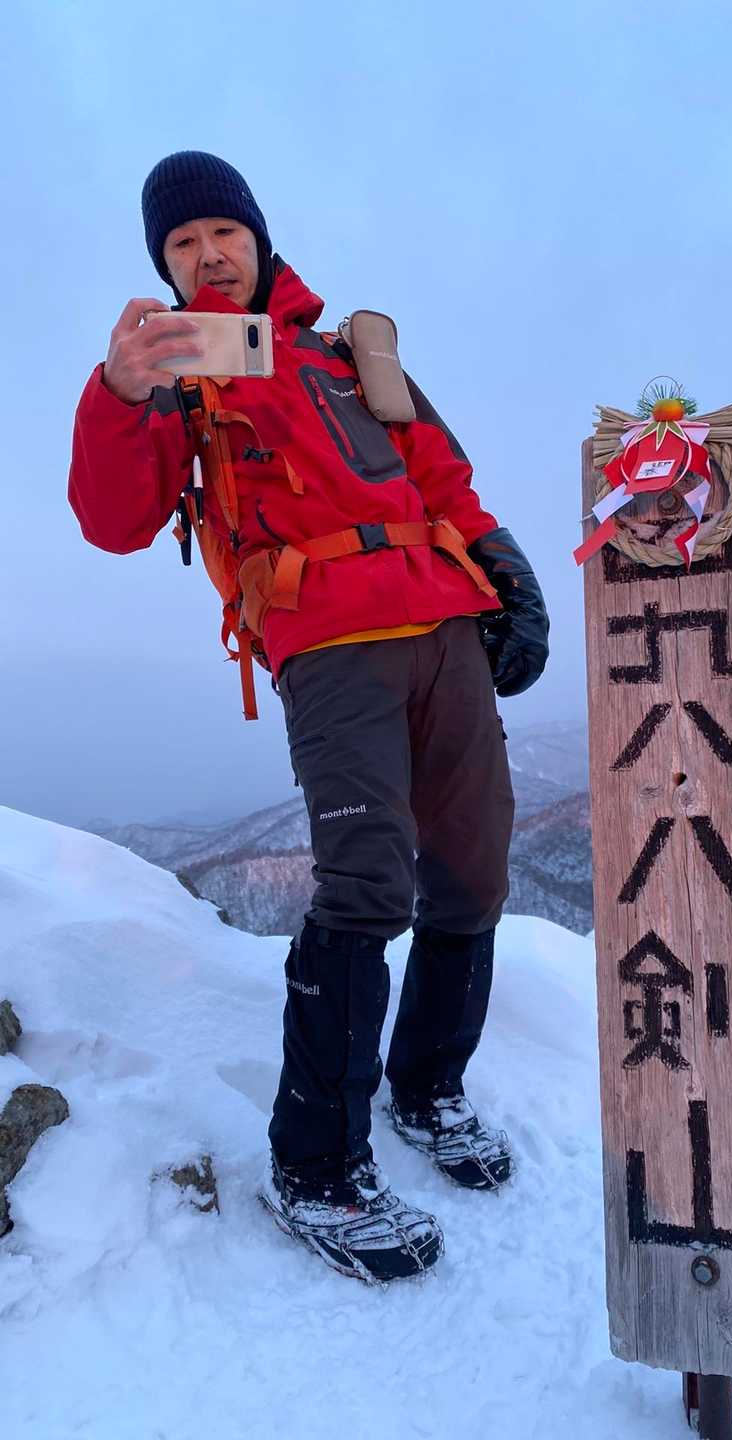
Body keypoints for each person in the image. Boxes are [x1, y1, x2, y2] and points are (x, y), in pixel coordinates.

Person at [68, 151, 549, 1284]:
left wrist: (504, 567)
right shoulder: (176, 376)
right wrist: (118, 392)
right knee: (367, 885)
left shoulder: (348, 355)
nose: (208, 255)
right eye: (183, 244)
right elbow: (113, 519)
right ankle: (317, 1168)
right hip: (326, 640)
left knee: (475, 870)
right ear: (166, 268)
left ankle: (427, 1090)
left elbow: (440, 478)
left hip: (445, 623)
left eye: (222, 233)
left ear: (258, 238)